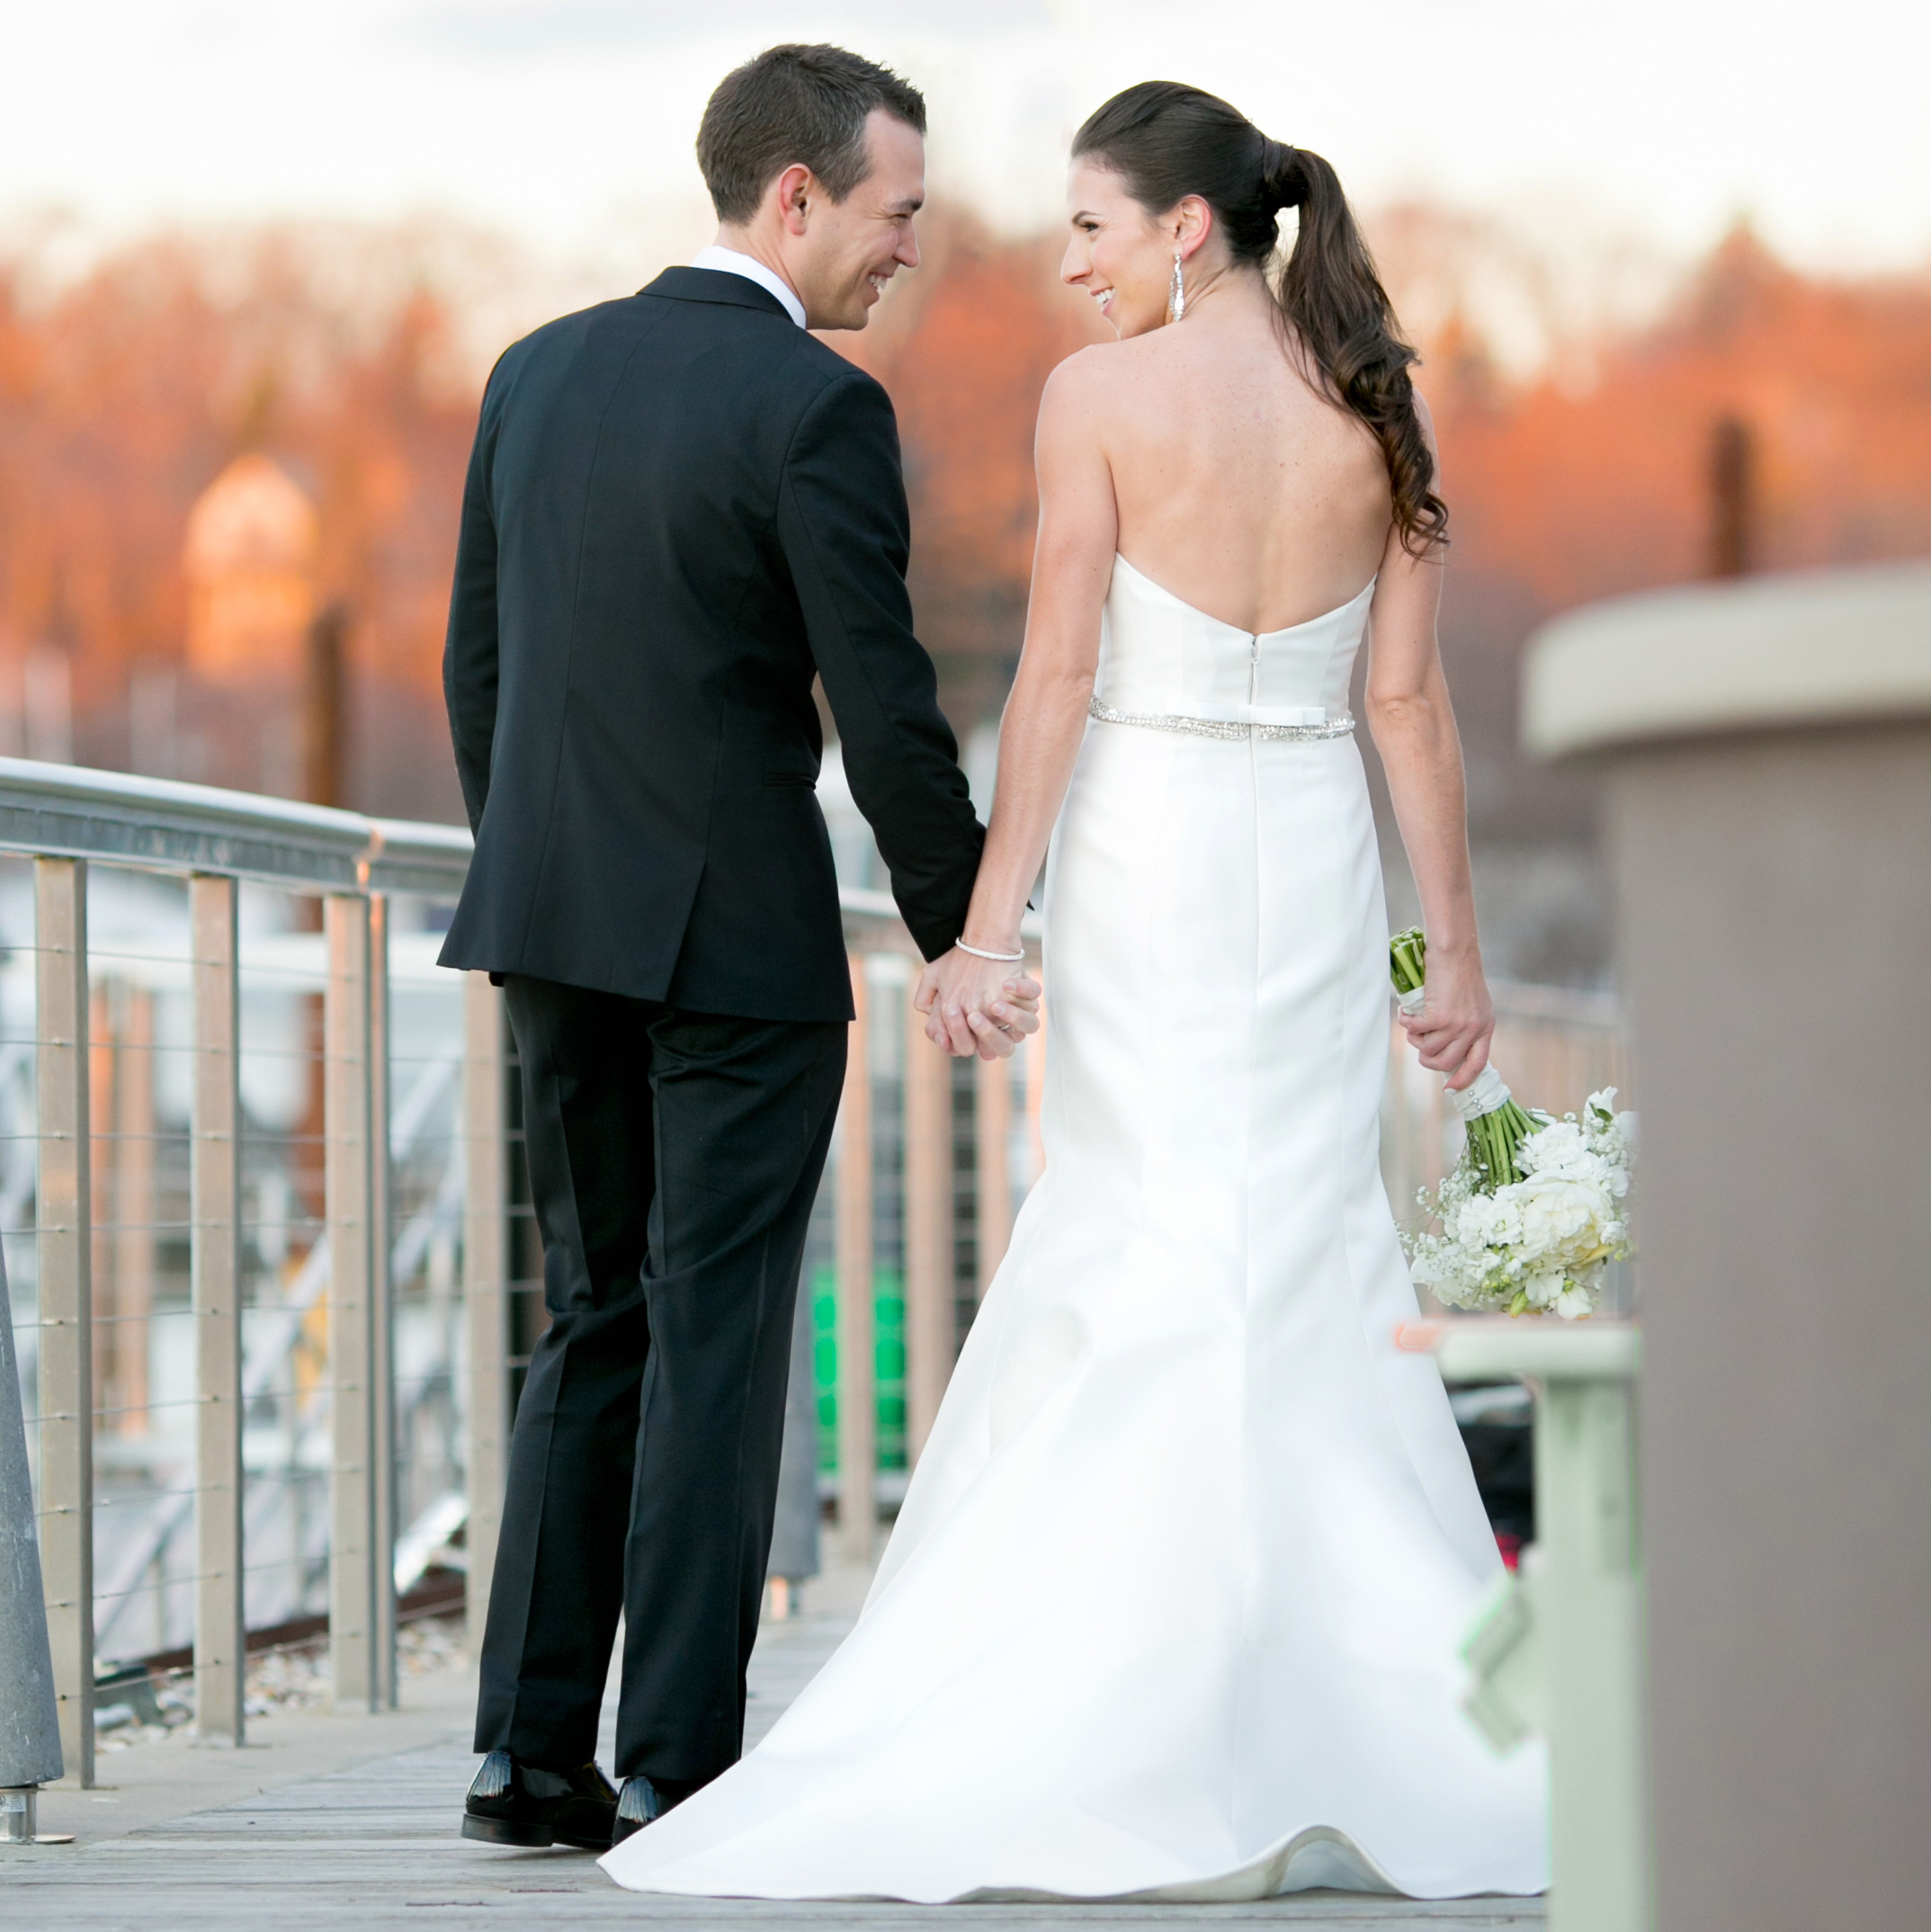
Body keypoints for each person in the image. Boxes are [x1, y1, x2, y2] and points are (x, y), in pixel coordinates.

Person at [601, 79, 1547, 1902]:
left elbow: (1050, 681)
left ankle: (1122, 1690)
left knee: (1139, 1231)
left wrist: (990, 931)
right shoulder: (1378, 406)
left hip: (1149, 857)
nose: (1068, 265)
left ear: (1186, 229)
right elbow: (1406, 716)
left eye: (1092, 228)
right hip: (1315, 871)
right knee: (1304, 1244)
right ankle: (1359, 1706)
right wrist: (1446, 969)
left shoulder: (1098, 401)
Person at [440, 43, 1039, 1854]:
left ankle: (521, 1758)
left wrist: (546, 861)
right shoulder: (814, 408)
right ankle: (676, 1761)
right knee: (716, 1342)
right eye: (896, 210)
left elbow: (482, 668)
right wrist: (972, 931)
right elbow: (887, 708)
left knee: (586, 1322)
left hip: (550, 925)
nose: (908, 250)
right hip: (737, 953)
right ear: (799, 197)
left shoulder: (532, 376)